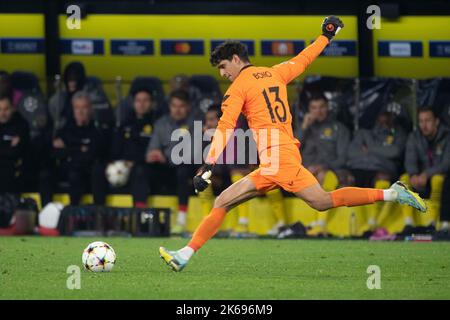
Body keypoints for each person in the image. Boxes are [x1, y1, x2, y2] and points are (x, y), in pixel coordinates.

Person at [159, 16, 426, 272]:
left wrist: (207, 164)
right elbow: (305, 58)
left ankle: (184, 255)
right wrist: (326, 36)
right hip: (279, 157)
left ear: (236, 59)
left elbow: (225, 127)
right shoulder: (275, 73)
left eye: (223, 66)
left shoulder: (239, 87)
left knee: (239, 201)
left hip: (278, 160)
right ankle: (184, 255)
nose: (222, 73)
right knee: (241, 201)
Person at [39, 92, 109, 206]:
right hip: (66, 168)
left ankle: (76, 211)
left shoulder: (97, 132)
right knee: (45, 175)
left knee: (76, 174)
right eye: (77, 108)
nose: (80, 112)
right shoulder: (66, 130)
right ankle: (45, 211)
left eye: (84, 107)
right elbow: (54, 153)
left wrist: (68, 149)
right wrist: (78, 149)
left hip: (84, 171)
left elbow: (92, 155)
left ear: (90, 109)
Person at [146, 89, 200, 233]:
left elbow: (192, 153)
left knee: (183, 170)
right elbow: (151, 150)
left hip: (186, 166)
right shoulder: (161, 123)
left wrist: (166, 156)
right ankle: (141, 217)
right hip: (166, 167)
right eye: (174, 106)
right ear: (169, 106)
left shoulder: (196, 124)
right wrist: (154, 154)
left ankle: (181, 219)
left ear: (188, 107)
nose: (177, 110)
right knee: (141, 171)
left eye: (181, 106)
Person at [401, 107, 450, 232]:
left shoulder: (446, 136)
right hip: (419, 179)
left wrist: (427, 174)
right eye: (421, 121)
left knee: (437, 179)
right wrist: (413, 174)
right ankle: (408, 223)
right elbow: (409, 159)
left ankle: (432, 222)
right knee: (404, 180)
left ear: (436, 122)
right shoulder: (414, 137)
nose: (424, 125)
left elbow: (446, 163)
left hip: (437, 177)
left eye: (428, 120)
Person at [110, 87, 158, 207]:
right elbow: (115, 149)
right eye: (138, 100)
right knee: (98, 170)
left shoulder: (157, 124)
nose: (141, 104)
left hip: (147, 167)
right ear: (133, 103)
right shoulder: (125, 124)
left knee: (140, 171)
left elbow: (154, 151)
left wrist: (134, 162)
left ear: (152, 103)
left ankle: (139, 211)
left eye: (145, 100)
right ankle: (99, 212)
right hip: (123, 166)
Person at [300, 92, 350, 185]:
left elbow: (343, 158)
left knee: (323, 176)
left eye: (321, 107)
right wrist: (304, 128)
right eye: (314, 108)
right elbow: (291, 150)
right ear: (309, 110)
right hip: (305, 171)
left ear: (328, 107)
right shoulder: (303, 128)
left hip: (330, 171)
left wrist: (323, 167)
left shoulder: (339, 128)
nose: (318, 111)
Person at [347, 110, 407, 187]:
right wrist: (381, 150)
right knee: (345, 179)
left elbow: (395, 152)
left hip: (382, 168)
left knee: (382, 180)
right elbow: (351, 152)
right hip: (357, 167)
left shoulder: (399, 134)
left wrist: (369, 149)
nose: (384, 121)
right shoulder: (363, 132)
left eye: (388, 116)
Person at [0, 94, 29, 194]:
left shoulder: (21, 125)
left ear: (13, 108)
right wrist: (9, 147)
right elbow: (11, 150)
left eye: (6, 109)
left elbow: (18, 151)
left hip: (15, 168)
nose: (3, 113)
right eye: (0, 109)